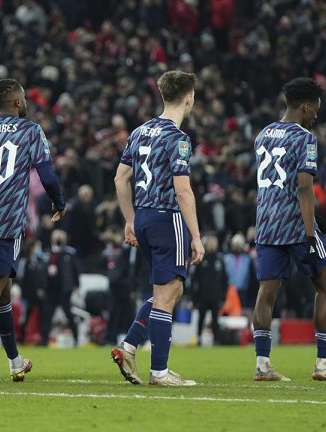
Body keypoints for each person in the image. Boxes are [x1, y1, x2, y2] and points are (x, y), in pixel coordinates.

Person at [0, 78, 66, 384]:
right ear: (18, 102)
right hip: (8, 216)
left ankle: (15, 361)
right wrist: (59, 202)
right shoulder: (30, 130)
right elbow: (46, 172)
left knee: (2, 289)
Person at [112, 70, 204, 386]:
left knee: (167, 290)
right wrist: (196, 235)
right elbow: (183, 191)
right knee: (168, 295)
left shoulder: (139, 132)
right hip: (168, 218)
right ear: (189, 98)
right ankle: (160, 372)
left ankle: (128, 345)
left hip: (145, 218)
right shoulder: (178, 139)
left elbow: (120, 179)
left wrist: (129, 220)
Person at [251, 77, 326, 382]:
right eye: (315, 108)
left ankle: (262, 364)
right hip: (294, 223)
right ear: (305, 106)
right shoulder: (305, 139)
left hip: (265, 223)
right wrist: (310, 233)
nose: (316, 114)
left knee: (267, 291)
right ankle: (323, 365)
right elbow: (304, 187)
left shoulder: (263, 135)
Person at [39, 229, 80, 347]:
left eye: (61, 235)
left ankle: (76, 338)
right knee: (47, 315)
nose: (59, 237)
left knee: (69, 315)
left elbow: (76, 270)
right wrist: (41, 286)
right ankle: (43, 340)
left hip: (64, 289)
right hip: (50, 289)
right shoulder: (46, 252)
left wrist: (77, 286)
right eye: (56, 235)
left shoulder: (69, 253)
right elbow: (42, 271)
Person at [189, 234, 227, 345]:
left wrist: (223, 295)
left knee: (215, 319)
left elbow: (225, 279)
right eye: (211, 242)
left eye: (214, 242)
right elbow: (194, 279)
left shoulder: (220, 259)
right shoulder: (201, 259)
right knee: (201, 318)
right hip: (202, 295)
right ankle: (199, 338)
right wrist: (193, 296)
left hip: (216, 295)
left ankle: (216, 340)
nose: (213, 244)